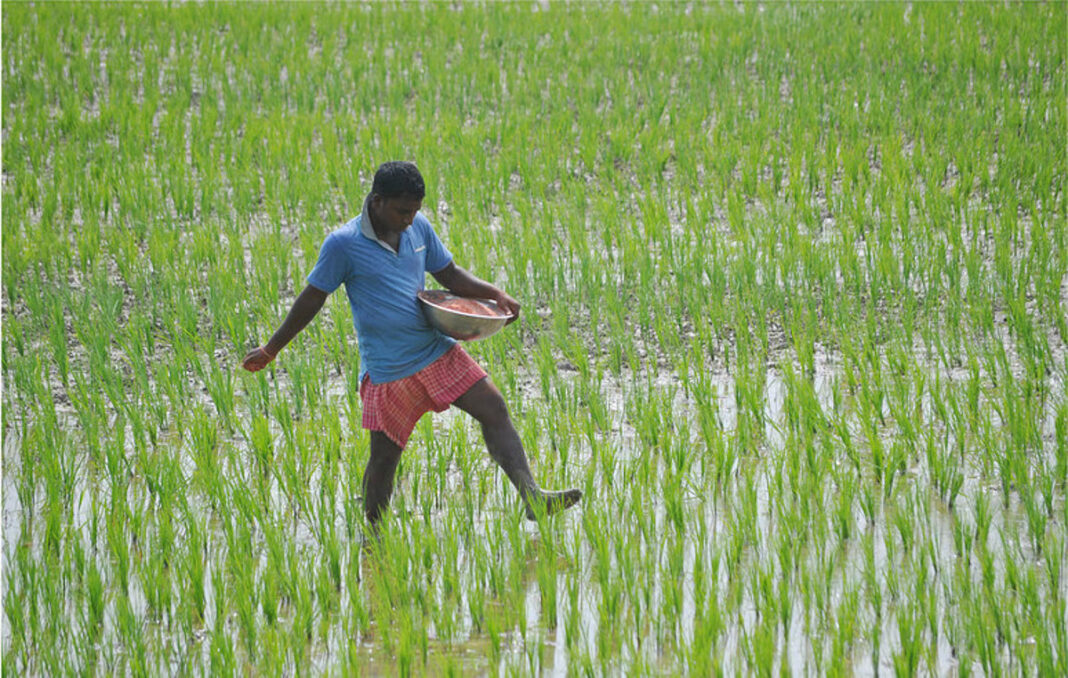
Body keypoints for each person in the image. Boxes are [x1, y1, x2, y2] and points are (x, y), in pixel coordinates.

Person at [241, 161, 582, 528]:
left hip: (435, 349)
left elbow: (448, 274)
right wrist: (271, 349)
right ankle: (373, 536)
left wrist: (494, 293)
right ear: (377, 201)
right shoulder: (344, 244)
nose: (409, 219)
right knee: (385, 460)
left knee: (494, 408)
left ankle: (531, 495)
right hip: (390, 370)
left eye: (415, 210)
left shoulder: (418, 228)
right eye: (402, 210)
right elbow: (312, 298)